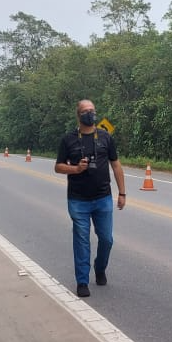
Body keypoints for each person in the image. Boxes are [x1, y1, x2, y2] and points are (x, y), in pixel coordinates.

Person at [54, 100, 126, 298]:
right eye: (86, 112)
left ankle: (100, 267)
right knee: (81, 240)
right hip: (78, 200)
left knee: (107, 239)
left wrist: (122, 193)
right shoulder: (68, 139)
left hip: (103, 198)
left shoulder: (105, 137)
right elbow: (58, 166)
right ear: (79, 116)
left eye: (92, 111)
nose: (90, 114)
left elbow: (116, 165)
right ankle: (82, 281)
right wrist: (76, 169)